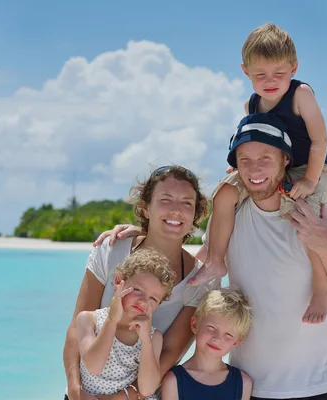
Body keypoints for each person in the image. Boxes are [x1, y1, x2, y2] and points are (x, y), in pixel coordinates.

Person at [100, 114, 327, 399]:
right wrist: (143, 233)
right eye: (245, 159)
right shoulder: (230, 215)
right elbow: (192, 265)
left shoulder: (326, 212)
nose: (254, 168)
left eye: (266, 157)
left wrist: (326, 244)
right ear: (235, 165)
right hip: (248, 388)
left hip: (319, 386)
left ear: (286, 160)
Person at [188, 23, 327, 325]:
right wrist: (239, 167)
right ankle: (215, 258)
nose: (270, 81)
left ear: (294, 68)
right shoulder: (251, 105)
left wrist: (308, 180)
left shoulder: (301, 95)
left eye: (279, 74)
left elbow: (320, 140)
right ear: (246, 72)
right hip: (272, 166)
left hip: (311, 167)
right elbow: (254, 139)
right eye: (260, 75)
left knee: (305, 216)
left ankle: (322, 287)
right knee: (225, 191)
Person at [63, 165, 216, 400]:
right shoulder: (111, 251)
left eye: (187, 203)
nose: (176, 211)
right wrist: (74, 390)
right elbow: (77, 327)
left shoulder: (200, 281)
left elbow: (169, 354)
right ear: (145, 208)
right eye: (166, 200)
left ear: (195, 214)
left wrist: (120, 398)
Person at [77, 249, 175, 399]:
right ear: (118, 281)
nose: (143, 301)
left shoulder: (153, 337)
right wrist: (112, 321)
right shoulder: (89, 320)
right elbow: (94, 367)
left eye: (153, 299)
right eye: (138, 290)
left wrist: (145, 341)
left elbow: (147, 389)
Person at [160, 288, 253, 400]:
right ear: (195, 324)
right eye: (211, 328)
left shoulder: (243, 383)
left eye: (228, 335)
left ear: (237, 342)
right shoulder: (173, 381)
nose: (217, 338)